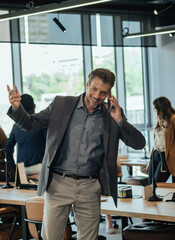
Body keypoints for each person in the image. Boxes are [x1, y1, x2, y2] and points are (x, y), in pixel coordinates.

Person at [7, 68, 145, 240]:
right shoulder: (61, 104)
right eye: (94, 89)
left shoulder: (111, 114)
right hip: (58, 184)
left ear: (109, 93)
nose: (96, 96)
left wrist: (120, 121)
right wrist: (17, 107)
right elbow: (30, 124)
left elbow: (139, 144)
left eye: (103, 92)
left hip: (89, 186)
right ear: (87, 84)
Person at [5, 94, 47, 176]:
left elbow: (7, 149)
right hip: (39, 168)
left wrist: (14, 169)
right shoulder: (41, 123)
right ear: (33, 107)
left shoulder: (16, 126)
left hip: (21, 170)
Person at [148, 96, 175, 184]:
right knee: (150, 185)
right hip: (155, 154)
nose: (154, 111)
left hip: (166, 156)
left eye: (155, 108)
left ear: (161, 108)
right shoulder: (159, 120)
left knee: (157, 184)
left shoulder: (173, 120)